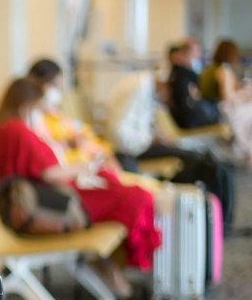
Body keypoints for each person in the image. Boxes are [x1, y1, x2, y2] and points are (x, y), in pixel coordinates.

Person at [0, 78, 160, 296]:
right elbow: (47, 173)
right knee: (133, 196)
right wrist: (83, 168)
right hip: (53, 198)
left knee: (117, 185)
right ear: (27, 105)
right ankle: (121, 271)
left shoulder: (7, 128)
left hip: (53, 193)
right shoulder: (17, 130)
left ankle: (114, 271)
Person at [106, 70, 236, 230]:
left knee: (208, 162)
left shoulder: (145, 87)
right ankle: (217, 223)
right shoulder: (139, 86)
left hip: (141, 144)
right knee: (203, 164)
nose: (166, 101)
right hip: (134, 149)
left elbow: (133, 124)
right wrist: (150, 138)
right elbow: (117, 132)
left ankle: (218, 221)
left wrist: (154, 135)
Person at [201, 39, 252, 166]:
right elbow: (227, 98)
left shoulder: (211, 68)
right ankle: (248, 151)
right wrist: (245, 93)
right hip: (224, 110)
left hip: (214, 108)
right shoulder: (224, 70)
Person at [167, 40, 221, 129]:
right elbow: (195, 95)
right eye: (196, 52)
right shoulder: (183, 74)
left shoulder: (177, 72)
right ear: (186, 54)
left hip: (185, 118)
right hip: (190, 120)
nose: (198, 56)